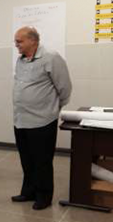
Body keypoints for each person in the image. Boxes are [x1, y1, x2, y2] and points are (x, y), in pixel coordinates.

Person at [12, 26, 72, 210]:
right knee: (26, 159)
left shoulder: (51, 58)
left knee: (42, 161)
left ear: (33, 41)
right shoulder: (20, 60)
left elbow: (65, 88)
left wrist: (53, 109)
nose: (17, 45)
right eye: (16, 41)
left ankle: (44, 196)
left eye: (19, 41)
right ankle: (28, 191)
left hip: (43, 120)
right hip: (21, 120)